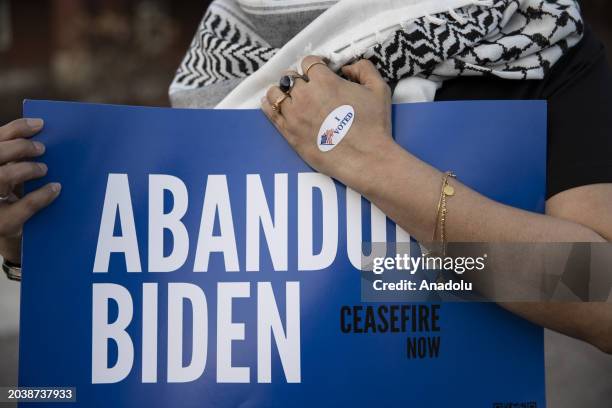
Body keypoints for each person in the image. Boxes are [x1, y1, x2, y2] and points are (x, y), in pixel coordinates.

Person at [1, 0, 611, 355]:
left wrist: (378, 167)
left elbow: (599, 295)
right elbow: (200, 289)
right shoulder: (218, 61)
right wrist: (46, 248)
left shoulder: (529, 34)